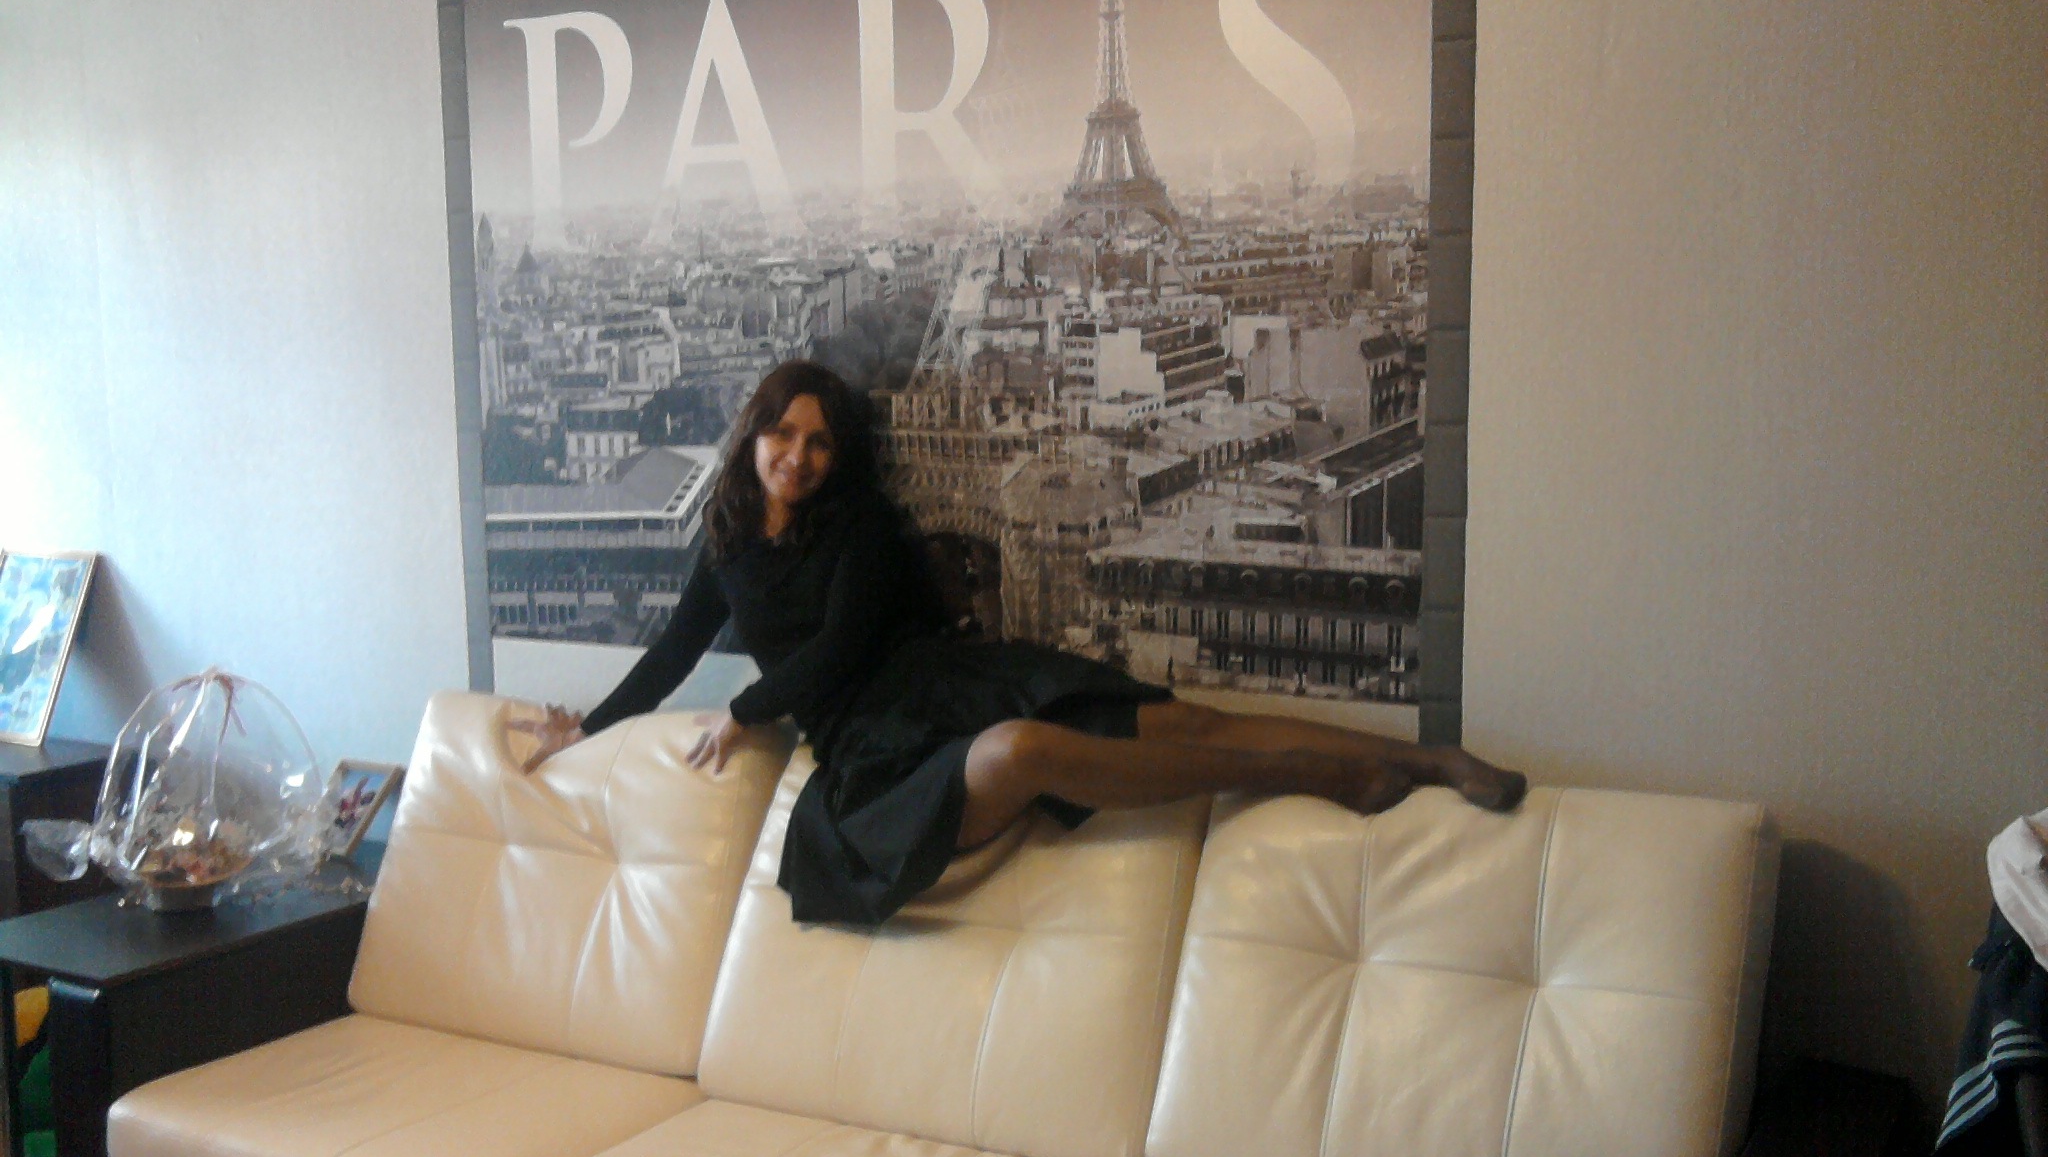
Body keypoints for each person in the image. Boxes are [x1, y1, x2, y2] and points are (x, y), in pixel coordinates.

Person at [515, 360, 1526, 926]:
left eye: (819, 441)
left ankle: (1422, 759)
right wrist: (587, 730)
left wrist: (744, 712)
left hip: (951, 682)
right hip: (875, 755)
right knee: (1026, 753)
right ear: (753, 435)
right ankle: (1319, 775)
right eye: (783, 434)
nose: (799, 456)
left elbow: (843, 641)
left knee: (1186, 720)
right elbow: (670, 654)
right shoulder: (726, 546)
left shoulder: (859, 526)